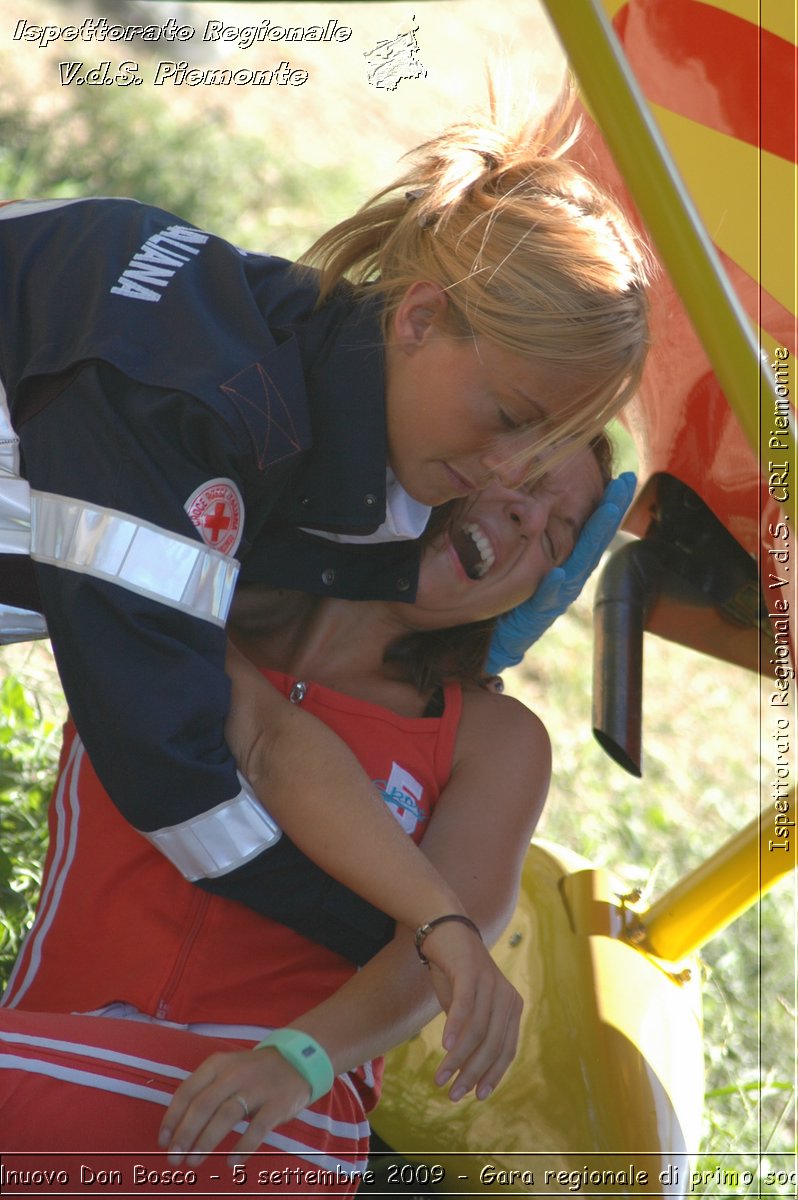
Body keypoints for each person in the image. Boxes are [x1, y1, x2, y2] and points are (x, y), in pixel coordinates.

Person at [0, 95, 649, 1039]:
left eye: (544, 455)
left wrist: (457, 623)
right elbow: (174, 766)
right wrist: (405, 945)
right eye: (514, 421)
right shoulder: (190, 412)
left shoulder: (285, 342)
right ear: (420, 317)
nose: (508, 476)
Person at [0, 439, 621, 1188]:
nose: (528, 518)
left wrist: (299, 1059)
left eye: (555, 538)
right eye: (524, 476)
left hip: (277, 1115)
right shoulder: (194, 592)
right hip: (45, 1051)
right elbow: (268, 739)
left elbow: (448, 949)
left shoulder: (494, 739)